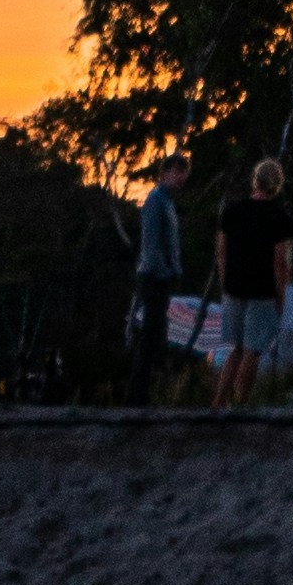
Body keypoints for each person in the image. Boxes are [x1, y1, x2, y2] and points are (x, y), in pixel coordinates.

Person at [213, 153, 293, 409]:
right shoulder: (280, 218)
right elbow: (281, 262)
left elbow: (221, 251)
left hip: (233, 289)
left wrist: (225, 282)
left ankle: (219, 399)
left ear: (255, 181)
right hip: (262, 292)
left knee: (235, 349)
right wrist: (282, 296)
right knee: (253, 351)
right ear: (277, 185)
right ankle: (241, 405)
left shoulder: (232, 211)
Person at [125, 164, 186, 407]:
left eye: (183, 175)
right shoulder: (155, 200)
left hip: (163, 275)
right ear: (167, 173)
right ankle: (136, 396)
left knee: (156, 334)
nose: (181, 179)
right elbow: (151, 243)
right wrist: (162, 272)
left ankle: (143, 394)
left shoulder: (167, 202)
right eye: (178, 173)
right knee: (150, 334)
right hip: (153, 276)